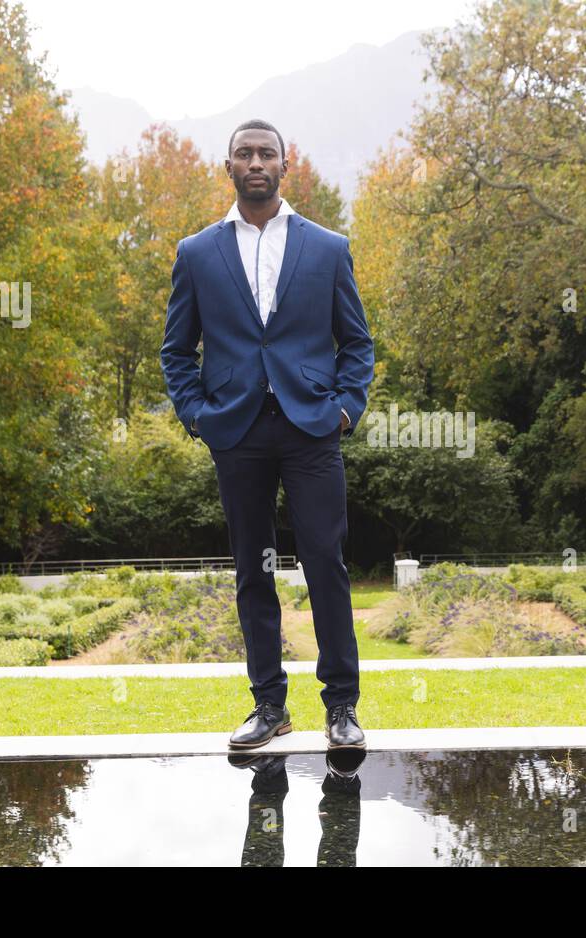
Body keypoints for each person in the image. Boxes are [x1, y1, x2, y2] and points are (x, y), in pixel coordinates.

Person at [160, 119, 374, 750]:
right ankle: (268, 706)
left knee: (325, 565)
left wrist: (343, 409)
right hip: (237, 432)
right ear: (228, 167)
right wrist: (197, 416)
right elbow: (177, 351)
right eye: (244, 153)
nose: (256, 161)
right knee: (253, 570)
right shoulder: (196, 253)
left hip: (311, 429)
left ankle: (341, 706)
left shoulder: (328, 248)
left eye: (266, 153)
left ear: (287, 164)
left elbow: (356, 342)